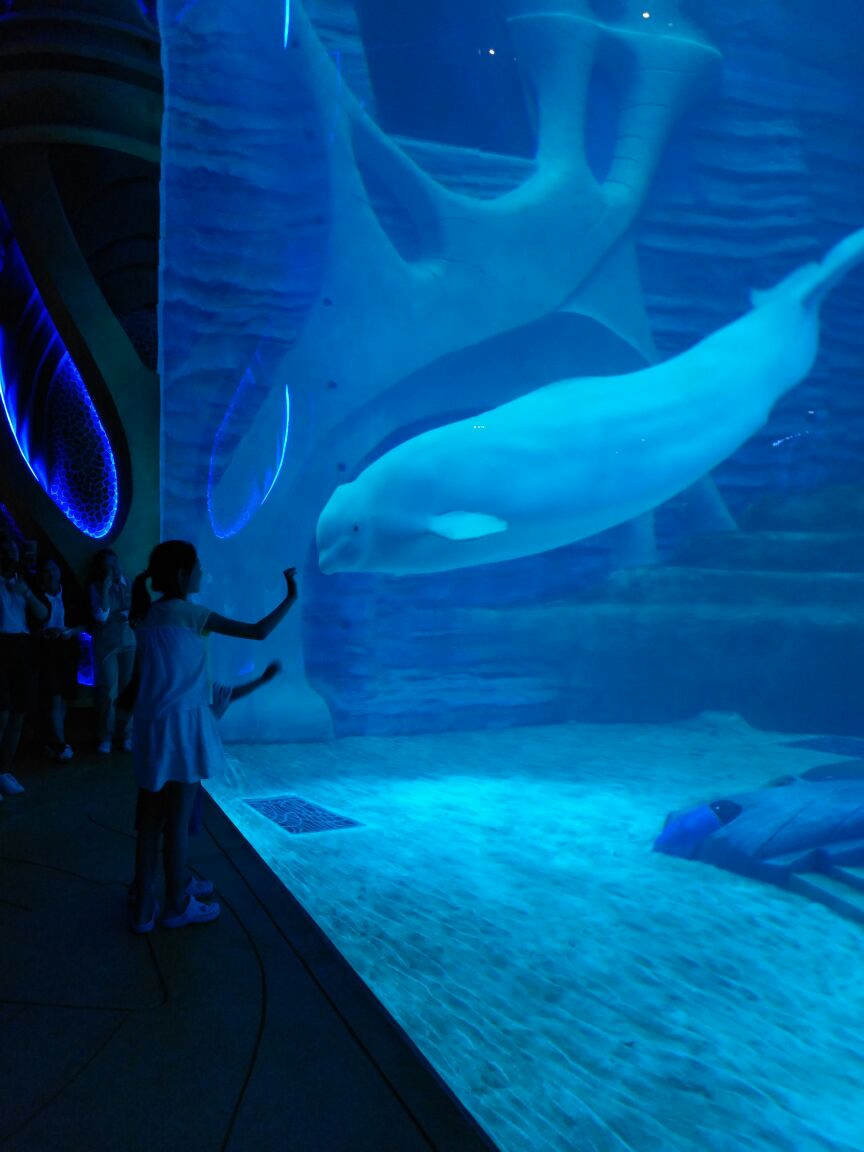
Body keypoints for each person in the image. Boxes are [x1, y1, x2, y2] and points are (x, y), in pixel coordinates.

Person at [124, 540, 297, 933]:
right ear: (184, 574)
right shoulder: (191, 614)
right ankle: (176, 905)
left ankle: (143, 908)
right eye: (198, 567)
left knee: (150, 821)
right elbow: (258, 631)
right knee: (179, 820)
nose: (202, 573)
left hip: (151, 727)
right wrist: (291, 596)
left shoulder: (147, 616)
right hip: (182, 729)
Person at [0, 533, 48, 799]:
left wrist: (26, 593)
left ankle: (4, 771)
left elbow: (43, 614)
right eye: (5, 552)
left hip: (21, 647)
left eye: (14, 553)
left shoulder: (24, 582)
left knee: (18, 712)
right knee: (2, 713)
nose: (11, 558)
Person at [32, 557, 82, 762]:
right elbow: (30, 627)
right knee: (53, 696)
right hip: (46, 650)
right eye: (46, 571)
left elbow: (84, 623)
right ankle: (60, 743)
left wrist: (70, 631)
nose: (51, 574)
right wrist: (44, 633)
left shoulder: (69, 594)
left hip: (67, 647)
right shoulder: (36, 597)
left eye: (53, 570)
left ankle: (54, 741)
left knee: (62, 698)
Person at [87, 549, 135, 754]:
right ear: (101, 569)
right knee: (108, 689)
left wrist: (117, 614)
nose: (114, 568)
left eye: (116, 563)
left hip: (129, 641)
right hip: (106, 644)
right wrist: (106, 588)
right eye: (109, 565)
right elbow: (101, 616)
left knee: (128, 689)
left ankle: (127, 734)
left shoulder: (129, 583)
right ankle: (105, 735)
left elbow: (136, 612)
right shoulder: (95, 587)